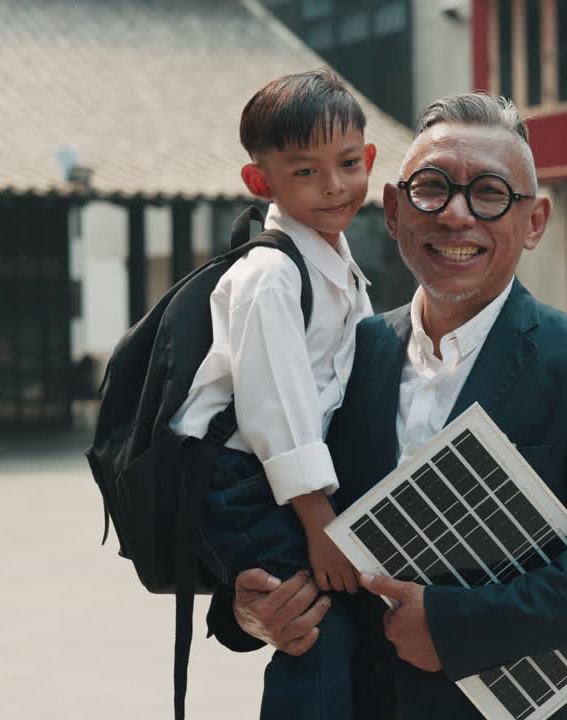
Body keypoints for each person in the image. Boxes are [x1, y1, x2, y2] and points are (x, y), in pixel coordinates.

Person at [206, 92, 567, 720]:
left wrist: (459, 625)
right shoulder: (345, 352)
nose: (456, 216)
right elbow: (261, 501)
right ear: (391, 209)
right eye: (431, 189)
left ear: (536, 222)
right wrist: (247, 609)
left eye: (491, 194)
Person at [168, 69, 377, 719]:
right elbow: (274, 408)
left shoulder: (339, 264)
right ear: (261, 182)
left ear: (369, 159)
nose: (335, 185)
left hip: (280, 479)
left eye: (347, 163)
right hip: (244, 479)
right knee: (313, 631)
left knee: (336, 627)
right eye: (306, 171)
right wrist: (320, 525)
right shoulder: (270, 275)